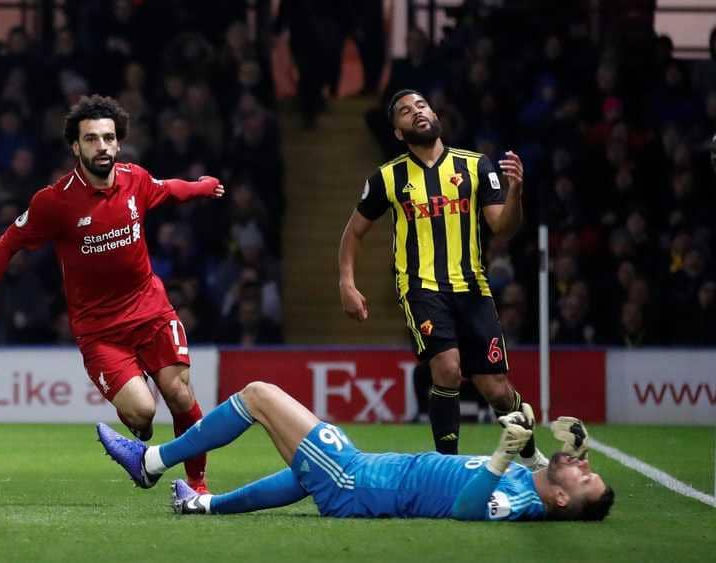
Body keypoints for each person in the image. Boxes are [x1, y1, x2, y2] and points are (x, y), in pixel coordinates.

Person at [0, 95, 224, 493]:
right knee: (142, 413)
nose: (101, 146)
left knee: (179, 393)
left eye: (108, 138)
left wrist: (202, 186)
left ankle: (197, 485)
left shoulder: (135, 179)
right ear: (76, 147)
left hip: (151, 311)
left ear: (118, 143)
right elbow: (6, 245)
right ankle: (138, 426)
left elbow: (169, 189)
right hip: (100, 332)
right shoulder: (55, 201)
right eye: (91, 139)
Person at [338, 89, 546, 468]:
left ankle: (531, 455)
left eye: (421, 105)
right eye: (405, 111)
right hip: (421, 288)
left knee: (496, 389)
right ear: (398, 132)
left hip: (473, 288)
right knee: (447, 369)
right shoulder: (388, 177)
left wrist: (515, 192)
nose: (416, 112)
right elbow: (353, 233)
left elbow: (503, 226)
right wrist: (347, 283)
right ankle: (446, 468)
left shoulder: (476, 165)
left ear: (435, 114)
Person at [97, 382, 614, 522]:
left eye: (587, 479)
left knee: (258, 395)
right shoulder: (533, 484)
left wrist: (502, 456)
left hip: (356, 479)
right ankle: (203, 504)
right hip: (362, 474)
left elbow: (468, 509)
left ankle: (150, 462)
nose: (586, 468)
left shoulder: (521, 503)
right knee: (300, 477)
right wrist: (551, 452)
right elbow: (538, 472)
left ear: (563, 501)